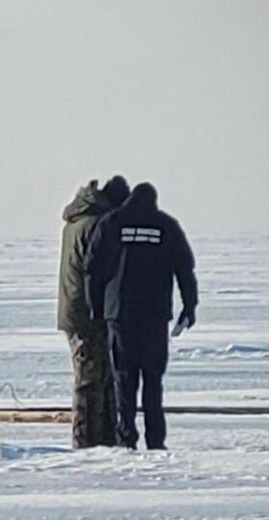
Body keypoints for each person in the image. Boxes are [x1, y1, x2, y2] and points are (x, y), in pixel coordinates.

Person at [84, 183, 197, 450]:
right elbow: (185, 268)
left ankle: (127, 438)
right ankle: (156, 440)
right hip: (154, 315)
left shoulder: (111, 223)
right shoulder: (166, 225)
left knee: (124, 378)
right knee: (153, 379)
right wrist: (189, 306)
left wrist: (96, 308)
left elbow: (92, 268)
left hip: (119, 314)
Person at [57, 176, 130, 448]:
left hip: (77, 310)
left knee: (97, 375)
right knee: (92, 379)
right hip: (87, 312)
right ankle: (88, 442)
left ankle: (99, 439)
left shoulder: (77, 221)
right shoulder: (99, 224)